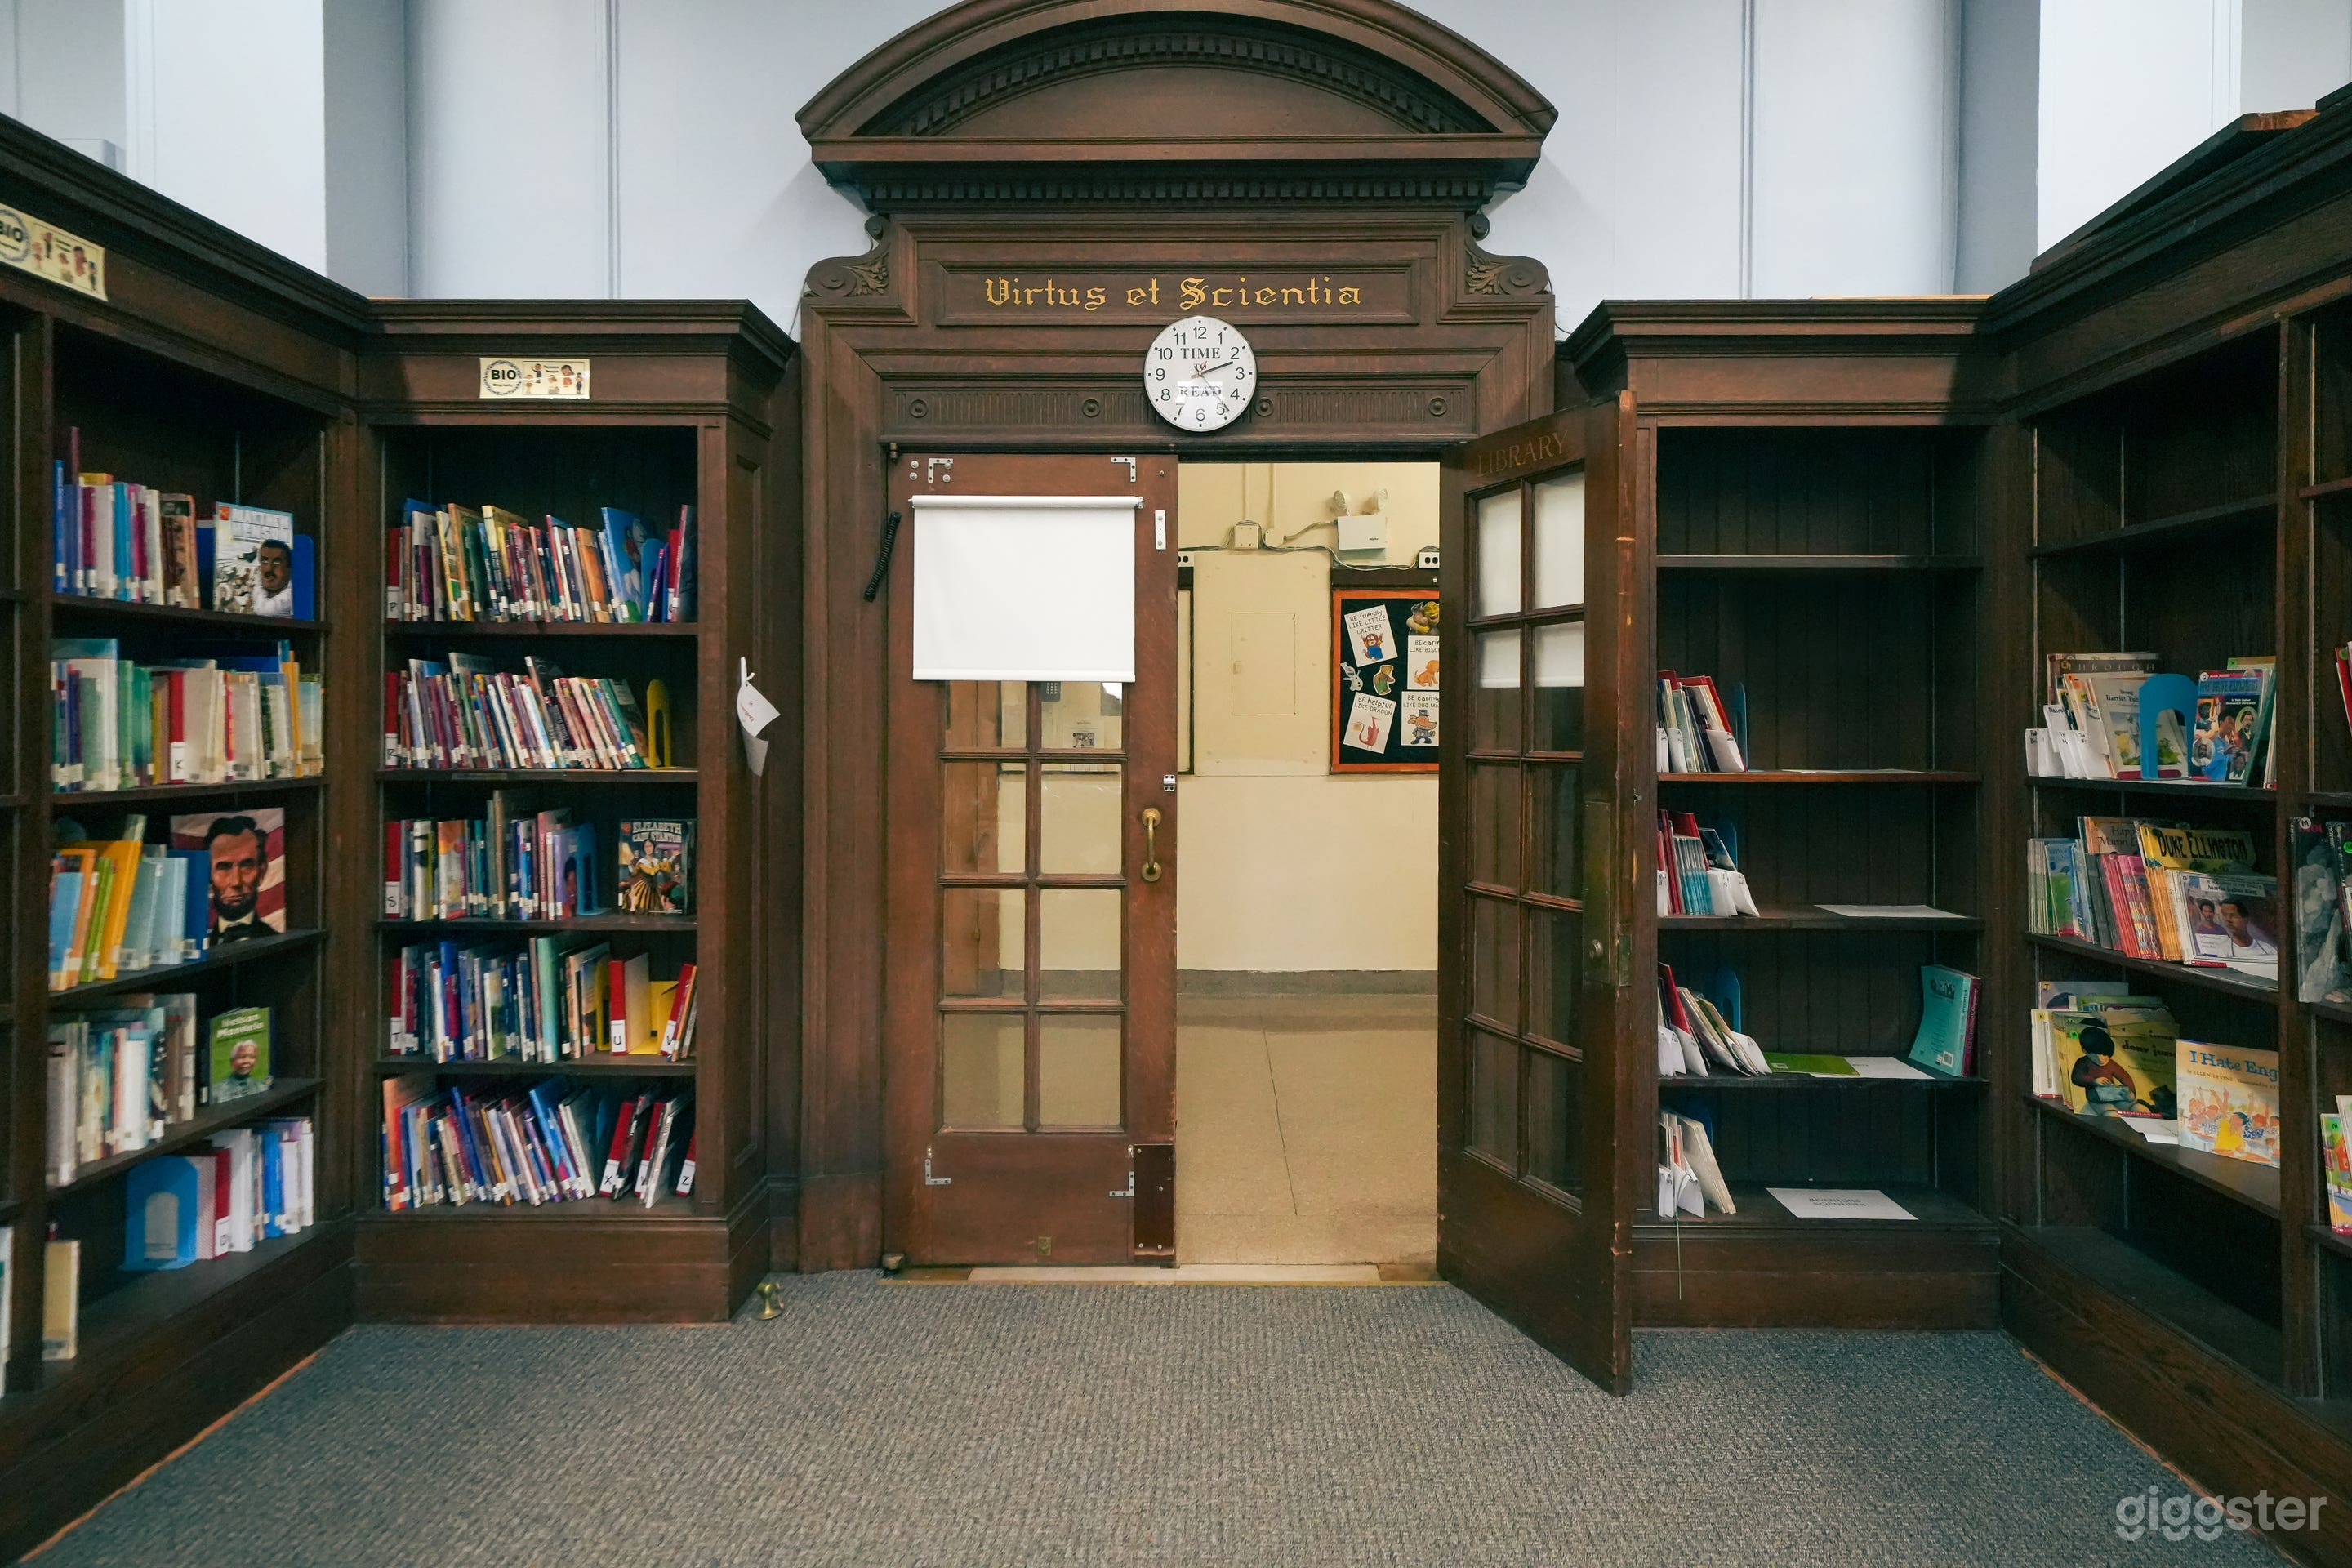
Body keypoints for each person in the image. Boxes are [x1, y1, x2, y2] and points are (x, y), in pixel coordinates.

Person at [203, 815, 274, 941]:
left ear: (262, 872)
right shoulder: (201, 942)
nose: (236, 882)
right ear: (209, 874)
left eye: (246, 866)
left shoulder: (276, 940)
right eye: (224, 867)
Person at [2216, 895, 2277, 961]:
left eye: (2233, 915)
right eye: (2224, 915)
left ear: (2246, 919)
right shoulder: (2224, 950)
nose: (2228, 920)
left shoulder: (2267, 949)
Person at [251, 537, 296, 617]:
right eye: (264, 561)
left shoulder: (294, 597)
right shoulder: (256, 596)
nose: (269, 569)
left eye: (277, 562)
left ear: (289, 569)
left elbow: (265, 610)